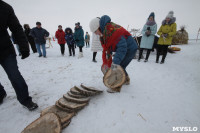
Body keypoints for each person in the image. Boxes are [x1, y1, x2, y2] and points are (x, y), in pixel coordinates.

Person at [0, 0, 38, 110]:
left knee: (15, 75)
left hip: (5, 49)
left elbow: (16, 28)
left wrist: (24, 47)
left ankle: (26, 100)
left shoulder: (5, 7)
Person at [89, 15, 138, 93]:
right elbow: (110, 46)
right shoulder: (106, 32)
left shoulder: (112, 31)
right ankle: (126, 79)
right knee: (120, 66)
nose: (96, 34)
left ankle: (116, 86)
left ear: (98, 27)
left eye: (95, 31)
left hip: (130, 49)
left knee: (118, 66)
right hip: (126, 48)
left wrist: (114, 63)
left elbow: (122, 48)